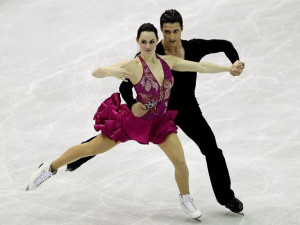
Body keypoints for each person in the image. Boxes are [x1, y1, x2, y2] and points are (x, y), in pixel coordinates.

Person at [26, 23, 243, 220]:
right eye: (144, 41)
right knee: (92, 148)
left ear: (155, 41)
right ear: (138, 42)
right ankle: (49, 167)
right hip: (135, 121)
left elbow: (201, 67)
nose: (148, 45)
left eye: (151, 41)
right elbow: (97, 72)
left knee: (180, 161)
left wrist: (228, 68)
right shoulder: (132, 64)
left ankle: (185, 199)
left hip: (160, 122)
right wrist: (114, 72)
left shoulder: (169, 61)